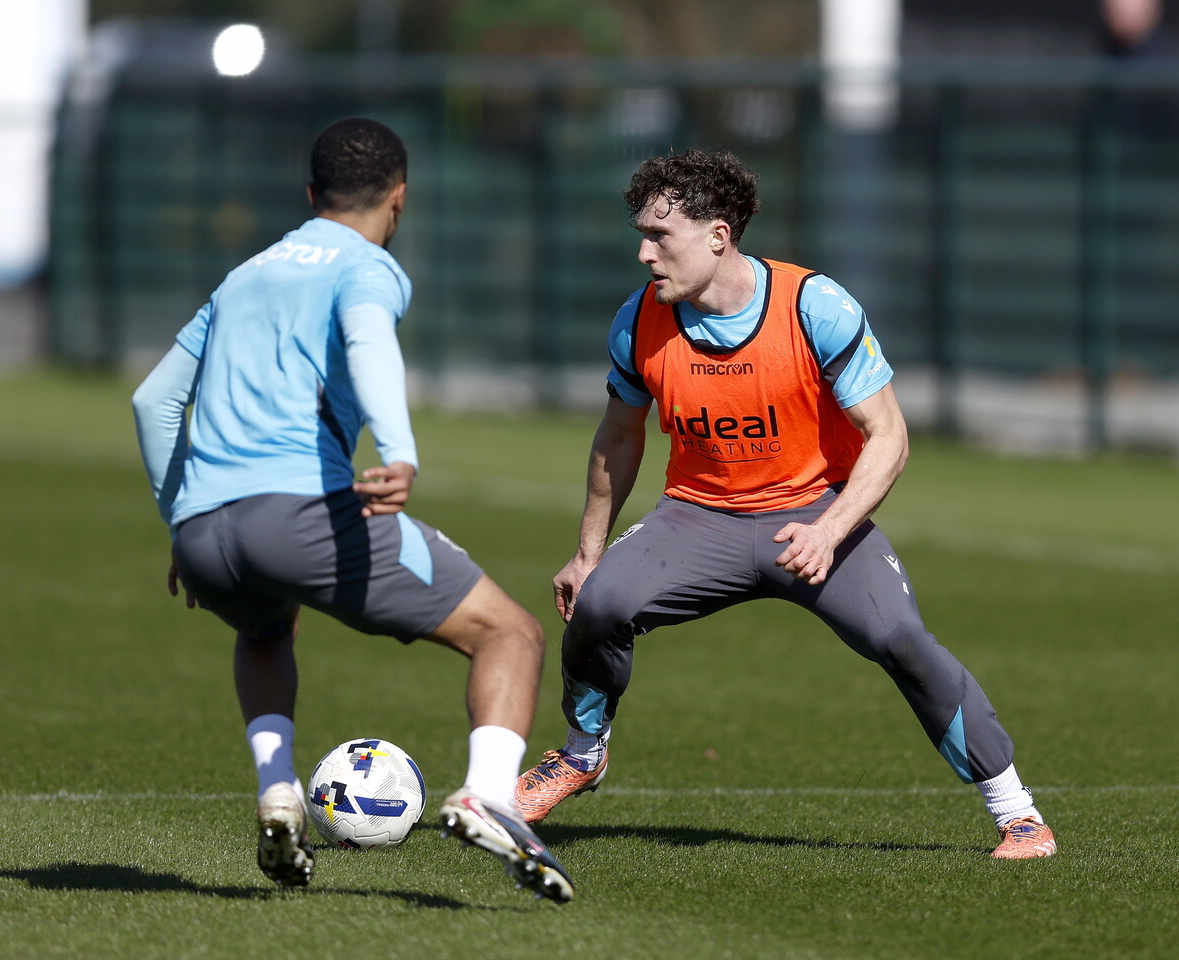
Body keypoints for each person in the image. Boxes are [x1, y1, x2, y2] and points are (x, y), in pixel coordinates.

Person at [515, 148, 1056, 861]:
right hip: (697, 515)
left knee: (901, 641)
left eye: (660, 236)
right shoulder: (637, 321)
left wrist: (830, 532)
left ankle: (1018, 814)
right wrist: (587, 553)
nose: (645, 254)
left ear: (718, 234)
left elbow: (888, 436)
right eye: (640, 235)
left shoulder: (813, 306)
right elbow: (618, 437)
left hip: (816, 513)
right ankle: (582, 755)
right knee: (599, 605)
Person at [131, 117, 573, 901]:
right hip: (298, 514)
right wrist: (398, 449)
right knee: (511, 632)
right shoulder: (364, 266)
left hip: (206, 530)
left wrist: (183, 518)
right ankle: (488, 796)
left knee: (267, 626)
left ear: (310, 196)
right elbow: (368, 342)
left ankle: (278, 792)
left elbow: (154, 399)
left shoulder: (244, 274)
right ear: (398, 201)